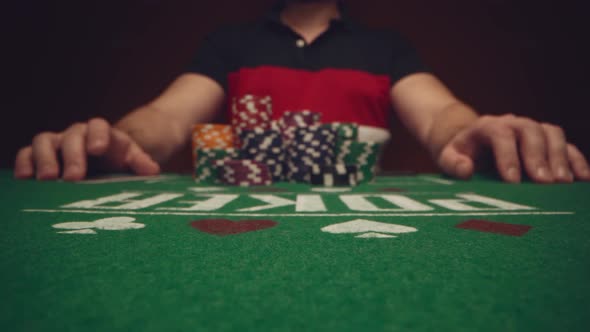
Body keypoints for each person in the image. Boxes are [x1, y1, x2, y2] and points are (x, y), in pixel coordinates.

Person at [13, 0, 590, 183]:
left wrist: (476, 132)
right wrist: (115, 140)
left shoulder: (385, 46)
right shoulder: (231, 43)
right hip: (238, 235)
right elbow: (162, 120)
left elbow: (443, 117)